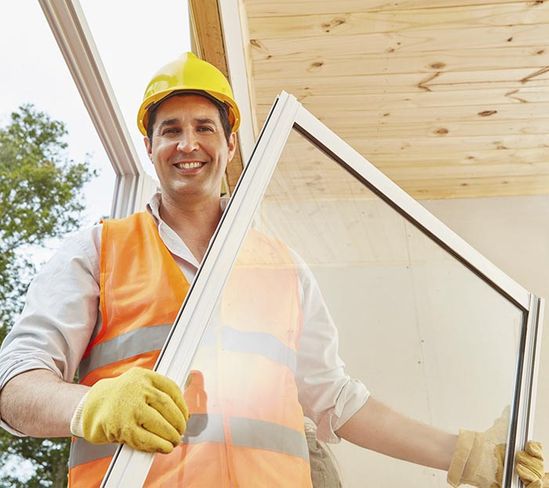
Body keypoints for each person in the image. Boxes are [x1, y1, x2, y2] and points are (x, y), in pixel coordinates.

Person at [0, 52, 545, 487]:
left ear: (231, 143)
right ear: (149, 148)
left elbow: (336, 401)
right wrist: (91, 403)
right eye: (170, 130)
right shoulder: (96, 251)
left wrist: (467, 456)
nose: (188, 144)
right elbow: (15, 388)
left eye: (204, 128)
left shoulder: (282, 265)